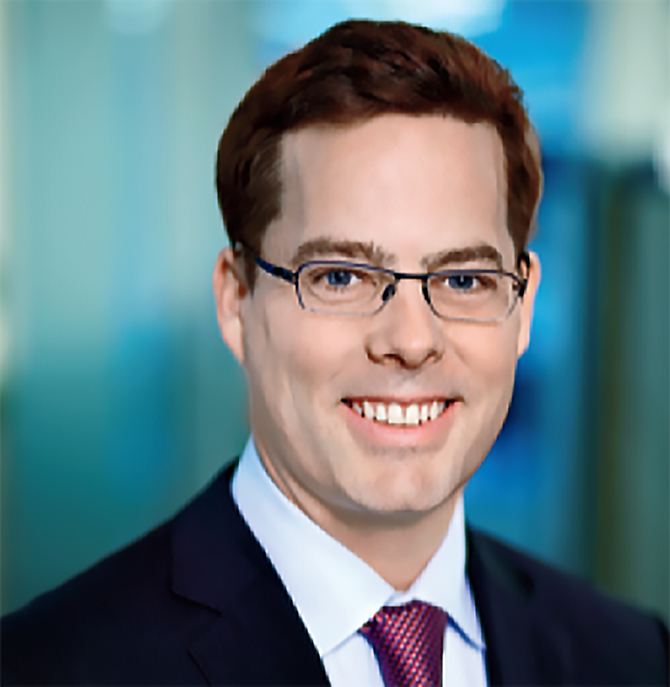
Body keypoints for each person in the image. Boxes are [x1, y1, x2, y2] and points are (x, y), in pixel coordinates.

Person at [2, 18, 667, 687]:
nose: (410, 341)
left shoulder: (631, 657)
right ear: (237, 301)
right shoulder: (49, 668)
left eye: (465, 279)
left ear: (522, 310)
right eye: (341, 277)